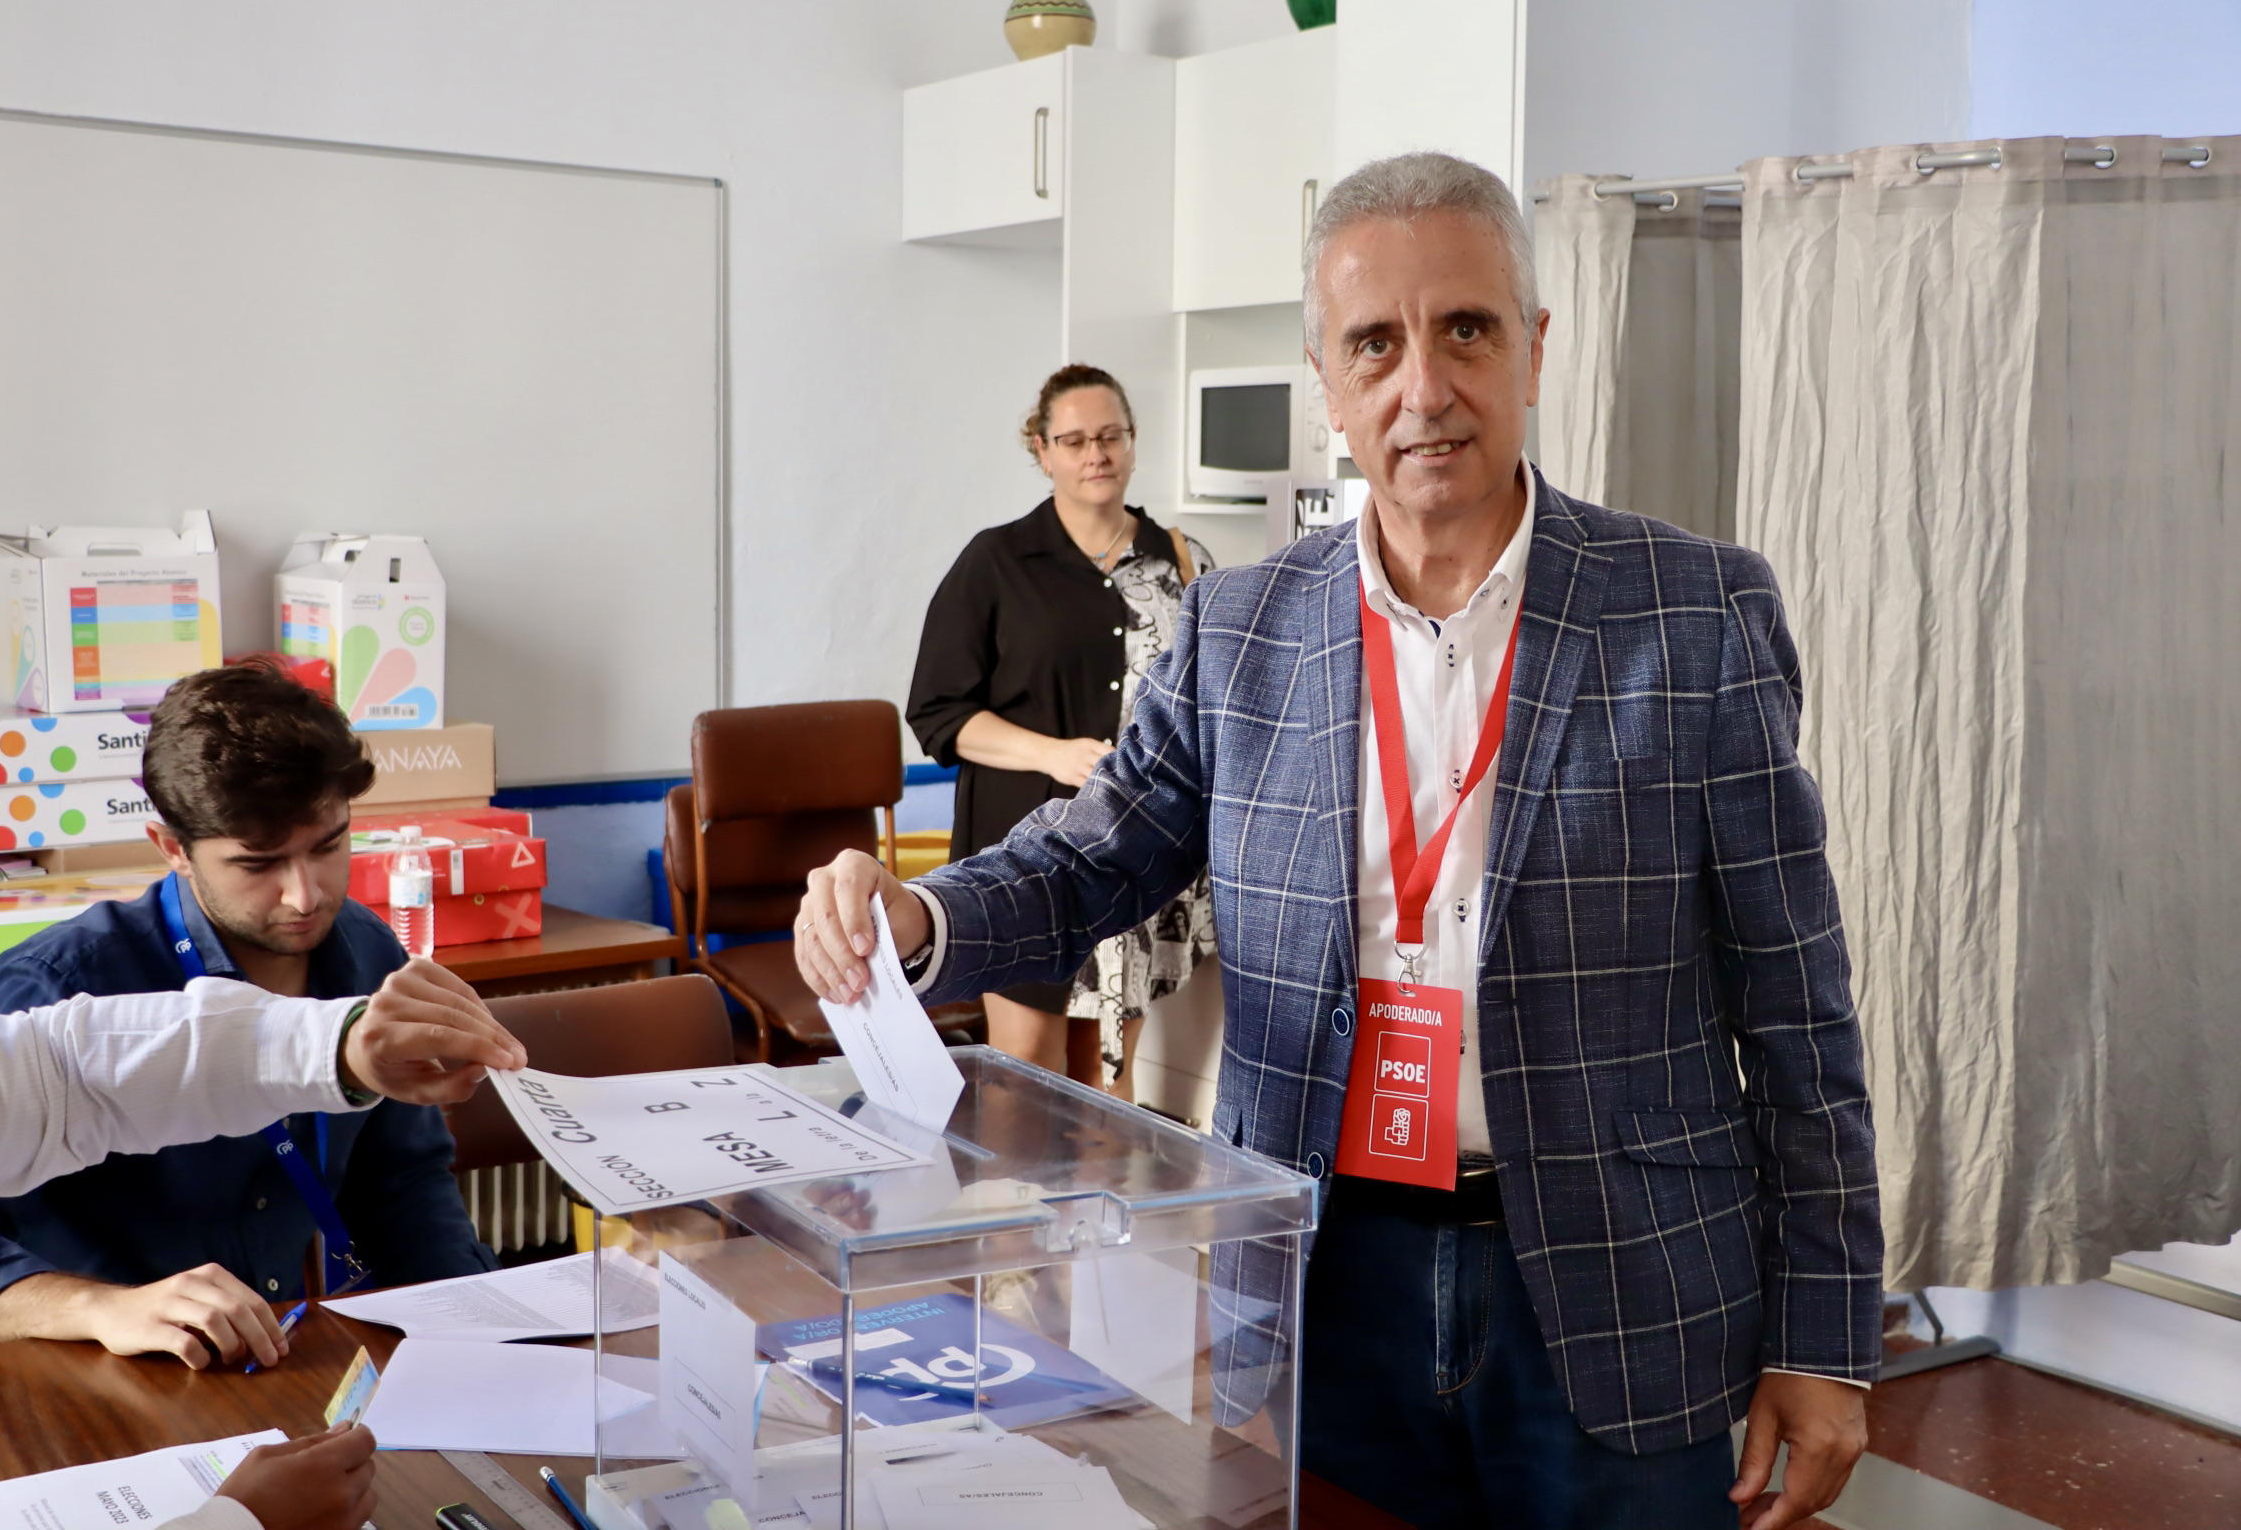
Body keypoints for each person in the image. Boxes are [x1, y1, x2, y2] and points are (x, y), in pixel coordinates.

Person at [796, 152, 1881, 1530]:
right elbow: (1097, 852)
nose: (1422, 388)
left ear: (1534, 347)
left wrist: (1825, 1332)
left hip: (1620, 1281)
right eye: (1376, 344)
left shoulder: (1694, 613)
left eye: (1466, 330)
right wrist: (920, 919)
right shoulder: (1244, 627)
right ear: (1328, 383)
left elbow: (1799, 1003)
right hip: (1328, 1270)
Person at [0, 660, 498, 1367]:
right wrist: (98, 1307)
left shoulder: (367, 950)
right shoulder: (62, 985)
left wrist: (474, 1332)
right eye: (257, 865)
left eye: (328, 846)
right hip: (98, 1386)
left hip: (279, 1366)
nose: (304, 896)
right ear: (173, 849)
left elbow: (402, 1183)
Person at [0, 971, 529, 1530]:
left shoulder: (366, 954)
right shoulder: (56, 966)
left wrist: (334, 1047)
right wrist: (241, 1522)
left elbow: (58, 1075)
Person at [905, 364, 1214, 1093]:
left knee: (1111, 1087)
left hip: (1140, 852)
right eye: (1073, 440)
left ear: (1132, 443)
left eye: (1110, 436)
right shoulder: (996, 561)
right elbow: (937, 714)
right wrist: (1057, 755)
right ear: (1042, 451)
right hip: (1027, 854)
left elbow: (1210, 701)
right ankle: (1023, 1215)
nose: (1095, 454)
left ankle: (1106, 1211)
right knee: (1027, 1087)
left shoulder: (1182, 560)